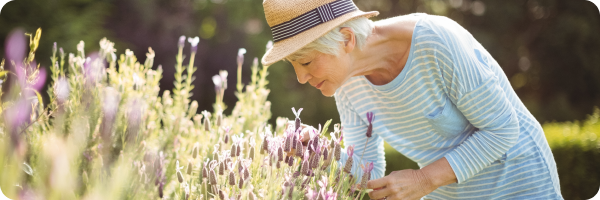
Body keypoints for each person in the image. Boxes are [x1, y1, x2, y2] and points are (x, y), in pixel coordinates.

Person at [261, 0, 562, 199]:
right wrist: (320, 151)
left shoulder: (436, 41)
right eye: (294, 66)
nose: (301, 78)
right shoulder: (346, 85)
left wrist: (423, 180)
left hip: (523, 186)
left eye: (307, 63)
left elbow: (504, 129)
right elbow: (368, 170)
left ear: (347, 40)